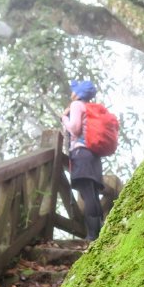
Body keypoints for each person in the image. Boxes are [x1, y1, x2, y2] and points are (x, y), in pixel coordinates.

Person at [61, 80, 104, 242]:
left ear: (78, 93)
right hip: (93, 156)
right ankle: (99, 232)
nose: (72, 92)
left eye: (74, 90)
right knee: (92, 193)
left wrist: (64, 118)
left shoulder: (77, 105)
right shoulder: (90, 107)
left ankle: (93, 235)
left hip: (81, 154)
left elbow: (75, 128)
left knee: (87, 194)